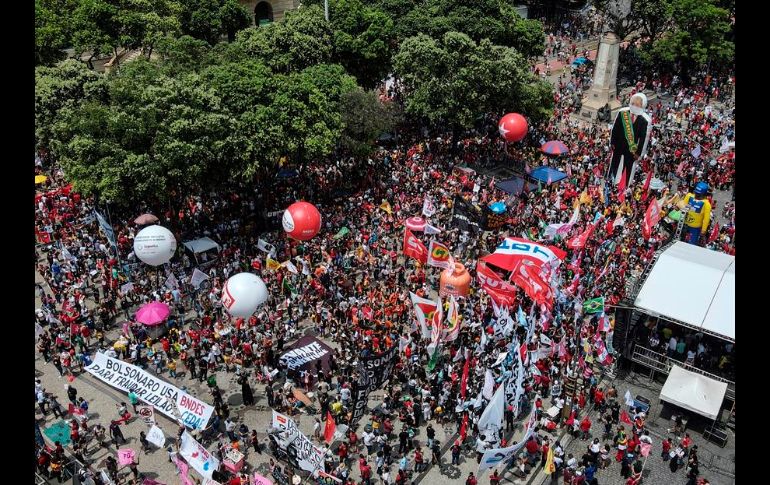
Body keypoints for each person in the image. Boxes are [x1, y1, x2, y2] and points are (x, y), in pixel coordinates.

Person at [608, 93, 652, 186]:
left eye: (638, 104)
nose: (635, 106)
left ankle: (624, 185)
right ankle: (611, 180)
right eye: (633, 103)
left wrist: (639, 153)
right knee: (615, 163)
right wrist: (612, 142)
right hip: (618, 145)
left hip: (632, 150)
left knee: (628, 168)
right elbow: (615, 128)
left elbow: (643, 139)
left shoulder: (645, 120)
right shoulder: (622, 113)